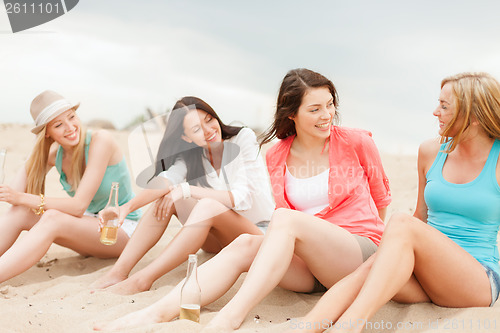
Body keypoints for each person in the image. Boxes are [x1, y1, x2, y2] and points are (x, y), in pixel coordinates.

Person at [93, 68, 391, 331]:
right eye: (314, 109)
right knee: (245, 245)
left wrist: (372, 250)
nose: (327, 115)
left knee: (282, 220)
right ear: (292, 114)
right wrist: (127, 206)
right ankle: (156, 312)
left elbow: (381, 200)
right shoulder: (277, 153)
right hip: (310, 264)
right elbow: (169, 177)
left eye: (329, 105)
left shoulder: (356, 141)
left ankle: (229, 318)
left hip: (356, 249)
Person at [286, 72, 500, 333]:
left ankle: (349, 327)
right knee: (366, 271)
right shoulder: (431, 151)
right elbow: (421, 216)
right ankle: (305, 328)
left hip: (476, 279)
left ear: (474, 116)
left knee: (400, 221)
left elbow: (411, 225)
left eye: (444, 106)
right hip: (426, 273)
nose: (435, 112)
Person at [91, 96, 275, 295]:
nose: (209, 130)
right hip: (218, 240)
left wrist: (187, 189)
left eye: (209, 120)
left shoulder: (243, 138)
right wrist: (126, 208)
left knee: (194, 200)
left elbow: (242, 198)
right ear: (187, 138)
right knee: (167, 198)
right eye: (196, 129)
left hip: (258, 233)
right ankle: (119, 272)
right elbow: (167, 180)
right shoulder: (193, 156)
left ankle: (143, 279)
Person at [0, 90, 141, 284]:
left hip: (120, 228)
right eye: (58, 125)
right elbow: (15, 199)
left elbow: (78, 206)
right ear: (47, 133)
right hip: (88, 226)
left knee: (52, 217)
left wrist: (21, 198)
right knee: (20, 213)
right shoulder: (54, 154)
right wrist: (36, 150)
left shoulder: (101, 140)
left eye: (72, 117)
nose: (70, 127)